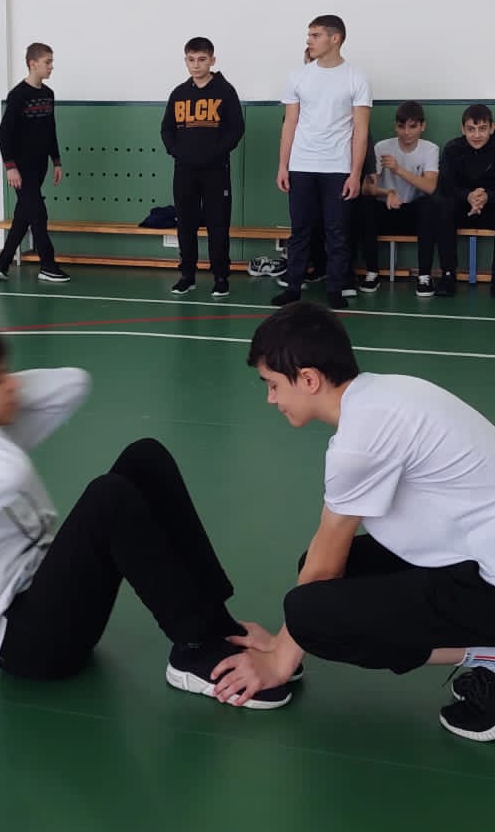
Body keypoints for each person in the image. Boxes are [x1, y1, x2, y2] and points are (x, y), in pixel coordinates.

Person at [0, 325, 299, 708]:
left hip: (51, 601)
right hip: (26, 646)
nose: (12, 384)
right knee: (108, 498)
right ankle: (195, 651)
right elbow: (8, 472)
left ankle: (216, 625)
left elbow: (72, 385)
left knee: (145, 458)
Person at [210, 301, 495, 742]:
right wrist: (284, 640)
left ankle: (486, 653)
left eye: (273, 385)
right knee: (321, 587)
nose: (271, 399)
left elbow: (325, 565)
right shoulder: (384, 395)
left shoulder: (360, 442)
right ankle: (485, 650)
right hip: (476, 557)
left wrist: (280, 659)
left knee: (313, 612)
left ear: (309, 379)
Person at [272, 15, 371, 311]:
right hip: (301, 165)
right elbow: (290, 123)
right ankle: (293, 287)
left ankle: (335, 289)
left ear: (335, 38)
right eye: (309, 35)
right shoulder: (298, 76)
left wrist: (355, 174)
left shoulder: (356, 78)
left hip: (338, 168)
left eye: (315, 35)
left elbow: (361, 130)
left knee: (337, 232)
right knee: (300, 229)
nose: (309, 40)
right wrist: (283, 166)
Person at [161, 37, 244, 299]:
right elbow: (167, 129)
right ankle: (187, 275)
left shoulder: (225, 91)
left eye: (201, 59)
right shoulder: (179, 93)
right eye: (191, 60)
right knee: (185, 224)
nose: (196, 65)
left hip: (215, 171)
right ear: (185, 61)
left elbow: (236, 128)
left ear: (212, 60)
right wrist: (177, 151)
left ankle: (221, 277)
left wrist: (216, 153)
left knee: (218, 225)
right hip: (184, 171)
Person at [0, 43, 69, 283]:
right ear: (33, 63)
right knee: (38, 214)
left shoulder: (48, 94)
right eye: (47, 62)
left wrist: (56, 161)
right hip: (21, 168)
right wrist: (10, 167)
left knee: (23, 215)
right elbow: (3, 134)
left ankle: (2, 264)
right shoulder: (18, 95)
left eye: (51, 62)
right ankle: (48, 265)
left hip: (40, 166)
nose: (51, 67)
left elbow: (50, 130)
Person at [356, 101, 439, 298]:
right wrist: (388, 193)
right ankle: (372, 272)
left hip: (413, 214)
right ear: (396, 126)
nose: (406, 132)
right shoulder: (381, 147)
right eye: (402, 126)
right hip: (386, 209)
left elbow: (430, 187)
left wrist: (398, 170)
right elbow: (366, 188)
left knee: (430, 205)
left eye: (412, 126)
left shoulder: (430, 149)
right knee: (365, 204)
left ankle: (424, 276)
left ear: (422, 126)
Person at [434, 103, 495, 298]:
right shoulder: (452, 149)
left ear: (492, 128)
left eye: (482, 129)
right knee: (443, 205)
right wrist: (468, 196)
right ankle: (448, 275)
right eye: (471, 129)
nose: (477, 135)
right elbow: (446, 185)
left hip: (490, 209)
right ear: (462, 129)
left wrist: (487, 196)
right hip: (461, 209)